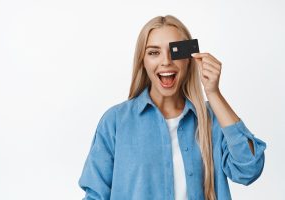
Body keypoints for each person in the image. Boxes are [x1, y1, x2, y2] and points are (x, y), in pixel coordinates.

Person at [78, 15, 266, 200]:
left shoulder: (212, 119)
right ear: (143, 61)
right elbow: (95, 195)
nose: (166, 61)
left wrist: (213, 93)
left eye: (174, 52)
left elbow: (248, 169)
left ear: (189, 59)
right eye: (153, 52)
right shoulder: (116, 121)